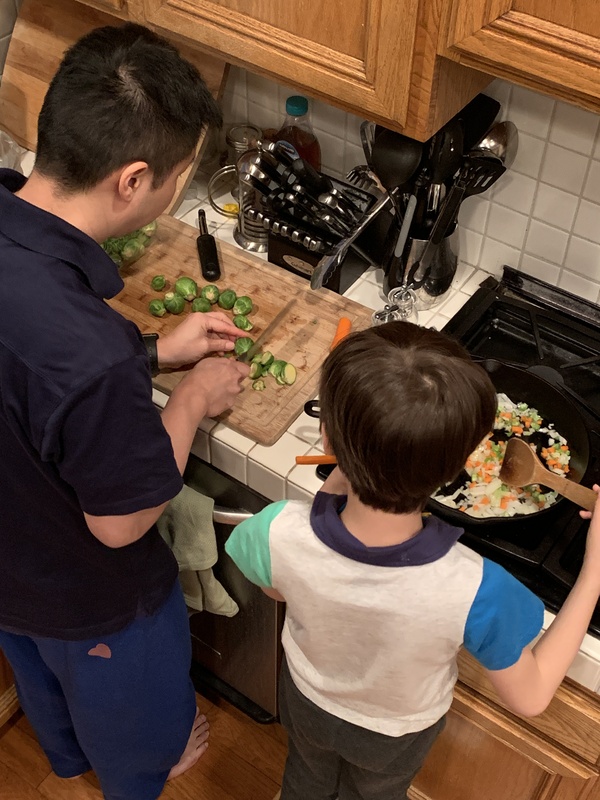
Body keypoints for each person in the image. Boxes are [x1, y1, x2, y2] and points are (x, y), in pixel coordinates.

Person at [0, 21, 250, 800]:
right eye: (183, 176)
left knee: (50, 702)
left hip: (11, 576)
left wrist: (148, 352)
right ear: (134, 180)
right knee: (137, 745)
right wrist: (193, 398)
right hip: (94, 601)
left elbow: (25, 369)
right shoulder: (91, 351)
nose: (181, 192)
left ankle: (68, 774)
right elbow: (123, 521)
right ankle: (132, 776)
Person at [225, 320, 600, 800]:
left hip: (307, 698)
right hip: (395, 733)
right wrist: (591, 572)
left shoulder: (274, 527)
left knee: (306, 776)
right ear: (464, 460)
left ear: (326, 439)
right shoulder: (476, 588)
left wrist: (348, 462)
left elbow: (278, 589)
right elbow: (531, 697)